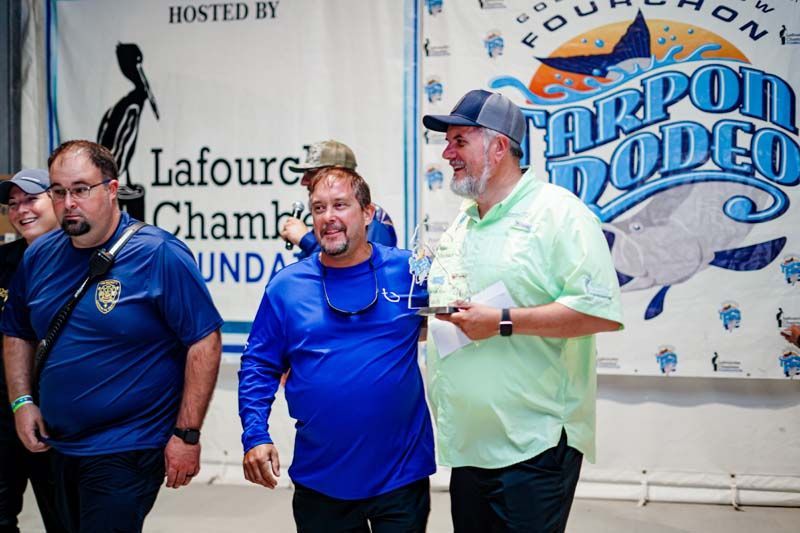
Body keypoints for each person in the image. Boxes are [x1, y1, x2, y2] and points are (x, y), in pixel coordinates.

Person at [422, 89, 624, 533]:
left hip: (534, 448)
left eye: (459, 141)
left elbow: (599, 311)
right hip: (470, 446)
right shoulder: (462, 222)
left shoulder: (559, 214)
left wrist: (504, 322)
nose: (447, 152)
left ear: (498, 146)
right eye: (447, 141)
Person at [1, 141, 223, 533]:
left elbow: (203, 340)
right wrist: (22, 401)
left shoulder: (159, 254)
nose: (68, 201)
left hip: (128, 444)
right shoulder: (39, 256)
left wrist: (186, 434)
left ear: (111, 188)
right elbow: (17, 331)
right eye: (58, 191)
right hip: (58, 443)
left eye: (81, 189)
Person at [239, 166, 435, 532]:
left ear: (368, 212)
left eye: (340, 205)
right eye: (318, 208)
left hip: (401, 475)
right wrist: (255, 434)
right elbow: (258, 365)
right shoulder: (287, 286)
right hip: (321, 479)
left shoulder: (409, 272)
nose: (328, 218)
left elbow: (452, 319)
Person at [0, 170, 66, 533]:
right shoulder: (5, 262)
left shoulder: (84, 261)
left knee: (65, 518)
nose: (21, 210)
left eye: (31, 199)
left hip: (62, 415)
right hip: (7, 411)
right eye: (13, 203)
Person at [281, 139, 397, 259]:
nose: (303, 181)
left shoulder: (373, 219)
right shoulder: (325, 222)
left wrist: (305, 240)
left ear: (339, 172)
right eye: (319, 208)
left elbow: (363, 268)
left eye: (312, 173)